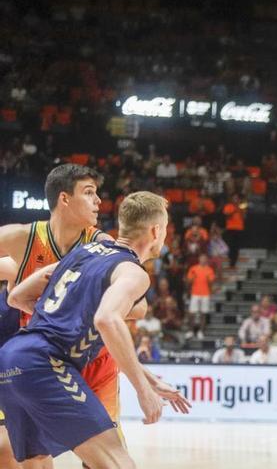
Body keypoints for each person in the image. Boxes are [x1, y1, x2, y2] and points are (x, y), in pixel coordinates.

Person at [0, 191, 190, 468]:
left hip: (9, 360)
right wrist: (143, 391)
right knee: (118, 463)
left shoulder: (81, 252)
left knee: (37, 463)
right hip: (44, 362)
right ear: (156, 231)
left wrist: (149, 379)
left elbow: (17, 297)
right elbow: (107, 320)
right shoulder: (132, 271)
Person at [0, 164, 124, 468]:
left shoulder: (102, 244)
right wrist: (15, 277)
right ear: (64, 199)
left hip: (92, 360)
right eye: (89, 193)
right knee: (25, 456)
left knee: (106, 458)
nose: (99, 201)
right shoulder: (22, 238)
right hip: (40, 361)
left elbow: (139, 306)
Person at [185, 253, 215, 340]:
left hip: (205, 294)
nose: (203, 260)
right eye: (201, 258)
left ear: (206, 260)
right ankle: (191, 331)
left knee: (203, 314)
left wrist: (209, 281)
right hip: (195, 293)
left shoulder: (209, 270)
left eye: (204, 259)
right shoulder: (193, 269)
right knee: (192, 313)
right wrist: (191, 279)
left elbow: (211, 282)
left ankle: (200, 332)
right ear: (199, 259)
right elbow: (189, 281)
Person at [222, 193, 246, 268]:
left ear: (239, 199)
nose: (235, 199)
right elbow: (227, 216)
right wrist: (234, 210)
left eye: (237, 198)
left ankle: (234, 261)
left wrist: (241, 210)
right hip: (230, 228)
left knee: (236, 246)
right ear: (232, 199)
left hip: (239, 228)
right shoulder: (228, 206)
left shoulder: (242, 206)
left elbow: (244, 217)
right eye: (234, 198)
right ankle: (230, 260)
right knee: (231, 245)